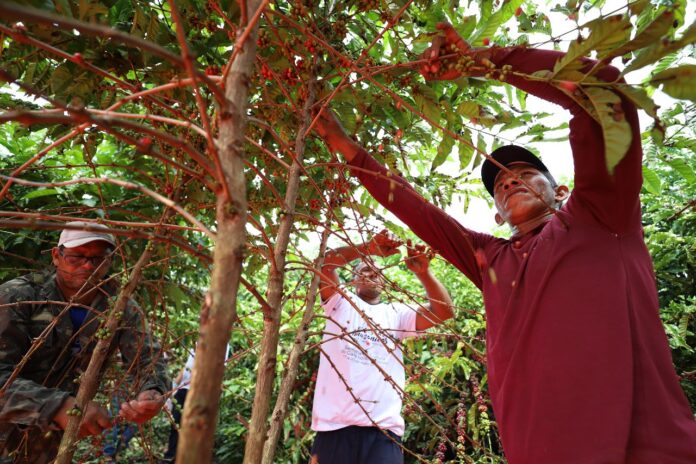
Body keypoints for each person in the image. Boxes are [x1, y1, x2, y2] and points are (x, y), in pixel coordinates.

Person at [313, 24, 696, 463]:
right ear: (497, 215)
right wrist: (349, 150)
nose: (510, 179)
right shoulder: (489, 260)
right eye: (500, 184)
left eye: (526, 173)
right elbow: (419, 213)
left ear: (563, 191)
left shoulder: (601, 217)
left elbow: (604, 91)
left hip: (646, 451)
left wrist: (487, 61)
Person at [0, 222, 170, 463]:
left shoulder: (120, 307)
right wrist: (57, 406)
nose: (89, 266)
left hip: (49, 447)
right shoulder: (18, 297)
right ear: (57, 256)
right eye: (77, 256)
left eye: (99, 258)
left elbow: (148, 361)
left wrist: (151, 393)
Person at [311, 231, 454, 464]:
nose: (371, 271)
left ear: (384, 280)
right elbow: (325, 265)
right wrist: (369, 247)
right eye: (364, 268)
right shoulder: (339, 301)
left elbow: (444, 312)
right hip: (334, 429)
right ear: (352, 278)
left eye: (376, 270)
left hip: (384, 434)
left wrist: (424, 274)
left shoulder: (396, 314)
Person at [161, 343, 230, 463]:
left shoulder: (221, 341)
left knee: (194, 427)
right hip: (183, 390)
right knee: (176, 425)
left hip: (199, 391)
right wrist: (174, 387)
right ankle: (171, 456)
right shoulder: (197, 340)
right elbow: (187, 366)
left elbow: (218, 368)